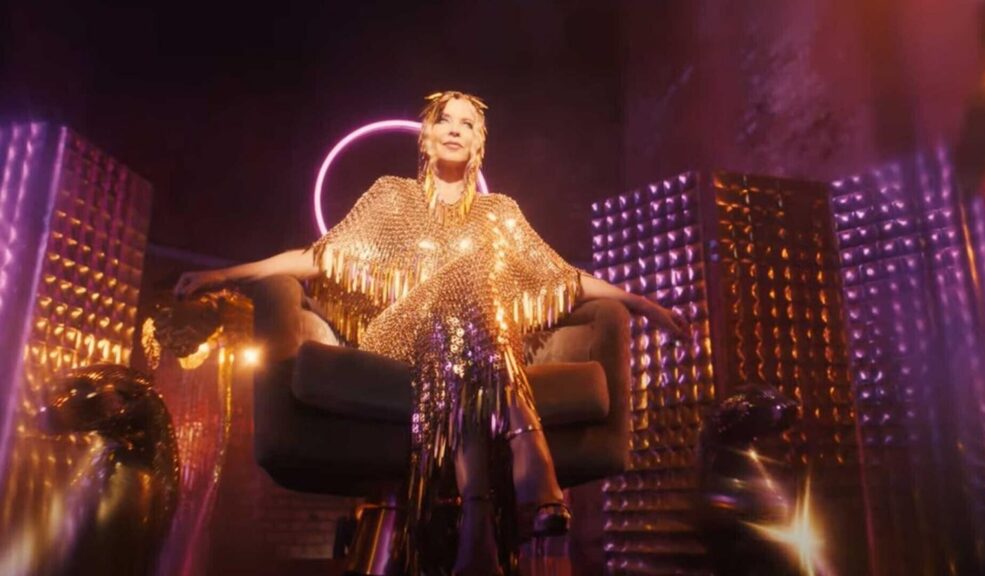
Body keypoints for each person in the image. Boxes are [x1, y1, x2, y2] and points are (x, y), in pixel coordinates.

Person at [175, 91, 685, 575]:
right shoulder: (390, 197)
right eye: (445, 120)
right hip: (397, 341)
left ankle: (476, 534)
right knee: (468, 277)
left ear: (480, 140)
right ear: (426, 135)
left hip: (472, 350)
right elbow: (317, 258)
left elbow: (562, 277)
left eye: (468, 123)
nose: (456, 129)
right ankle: (530, 453)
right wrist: (226, 275)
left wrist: (641, 303)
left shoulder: (499, 212)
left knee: (464, 332)